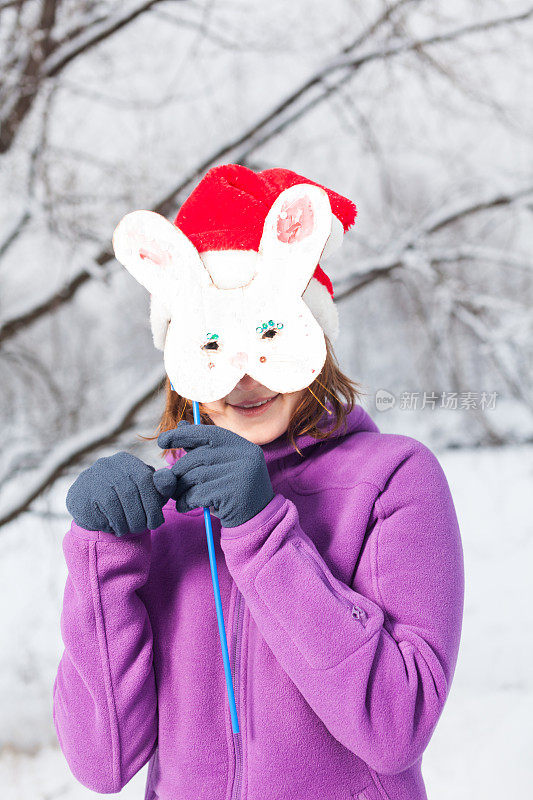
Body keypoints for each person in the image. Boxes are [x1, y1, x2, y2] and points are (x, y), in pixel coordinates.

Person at [53, 165, 465, 800]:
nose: (246, 378)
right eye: (214, 343)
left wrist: (261, 530)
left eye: (269, 334)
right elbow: (100, 763)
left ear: (316, 340)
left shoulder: (392, 481)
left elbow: (396, 726)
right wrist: (102, 557)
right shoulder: (168, 509)